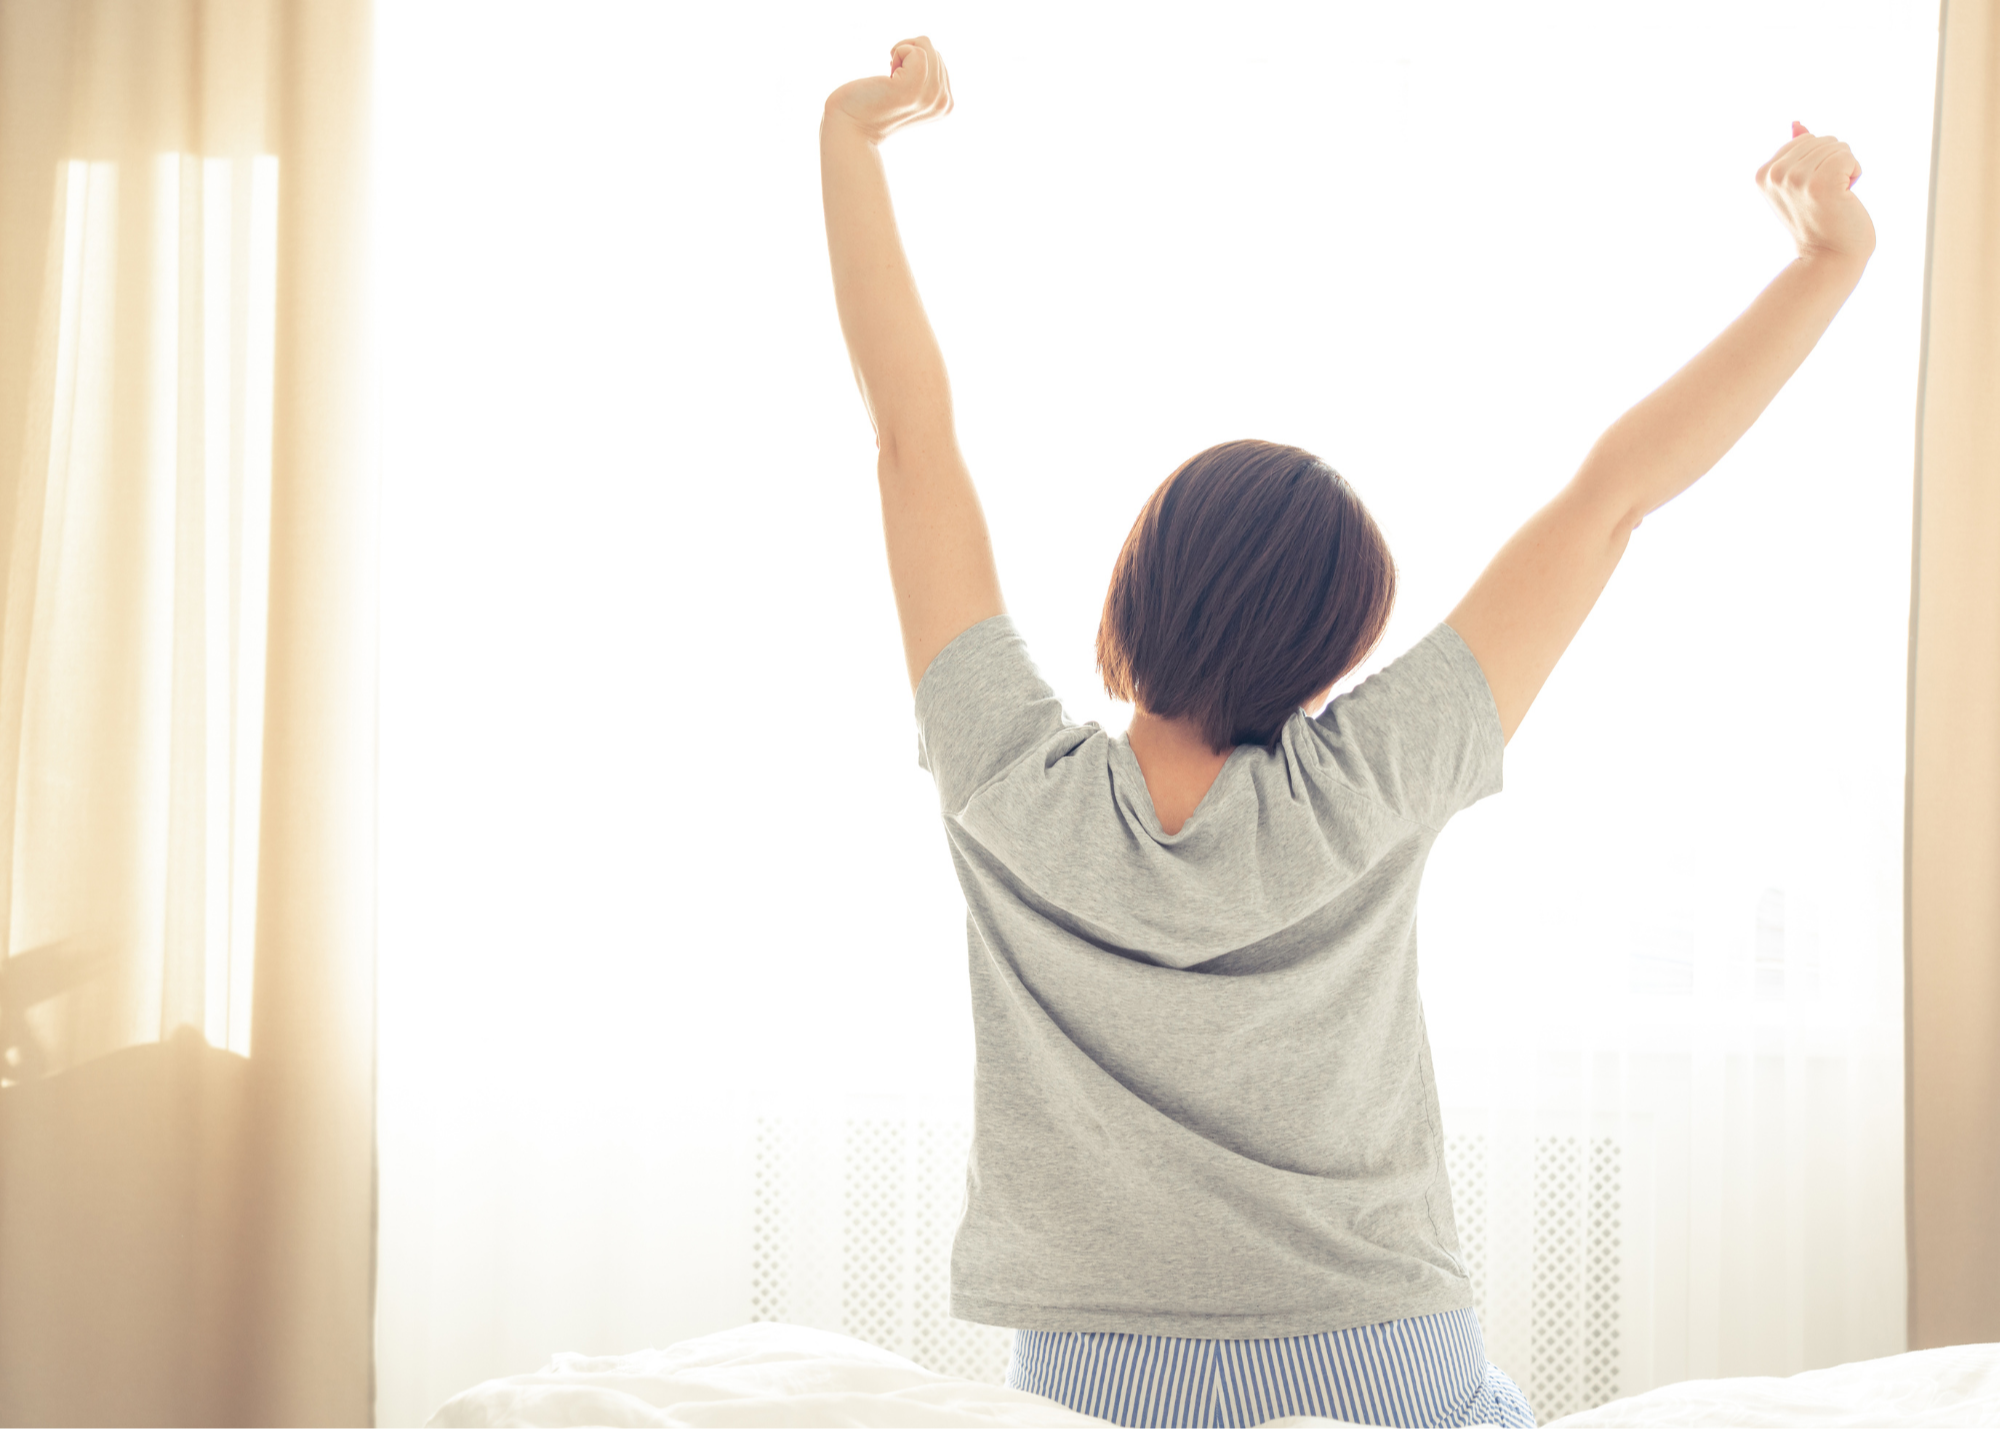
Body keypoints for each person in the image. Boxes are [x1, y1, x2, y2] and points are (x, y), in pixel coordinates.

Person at [819, 35, 1873, 1429]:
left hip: (1097, 1375)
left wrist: (850, 139)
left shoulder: (1006, 775)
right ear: (1329, 654)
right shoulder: (1371, 778)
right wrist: (1824, 265)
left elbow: (910, 437)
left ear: (1136, 587)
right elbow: (1611, 498)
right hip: (1381, 1354)